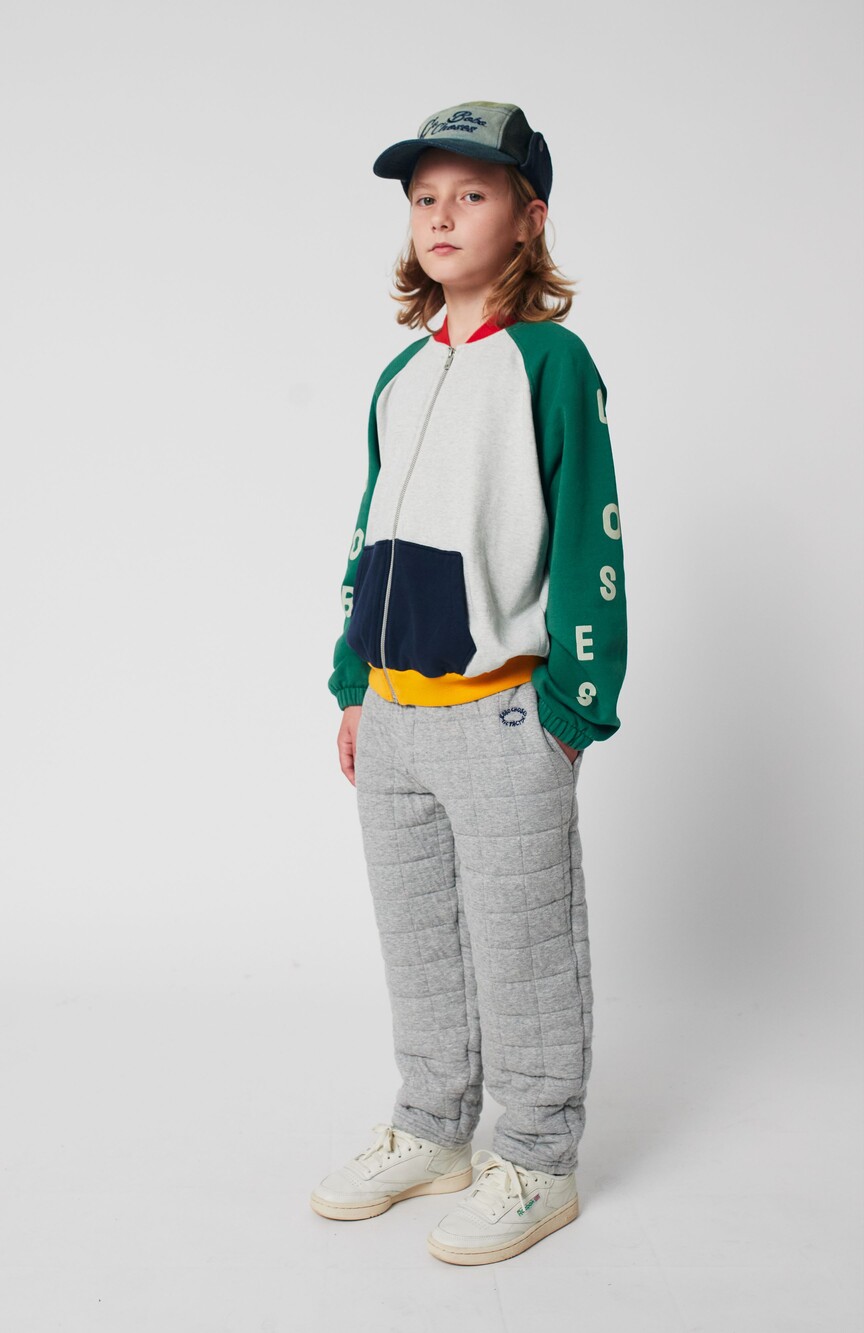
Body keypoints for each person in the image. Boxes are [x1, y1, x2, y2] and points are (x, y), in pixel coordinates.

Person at [311, 100, 628, 1268]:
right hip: (394, 716)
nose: (442, 215)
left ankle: (537, 1157)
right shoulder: (401, 374)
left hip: (501, 712)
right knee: (421, 941)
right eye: (424, 197)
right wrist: (352, 682)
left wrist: (572, 707)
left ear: (528, 217)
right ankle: (434, 1127)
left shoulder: (550, 362)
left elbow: (590, 534)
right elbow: (370, 532)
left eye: (473, 194)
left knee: (524, 948)